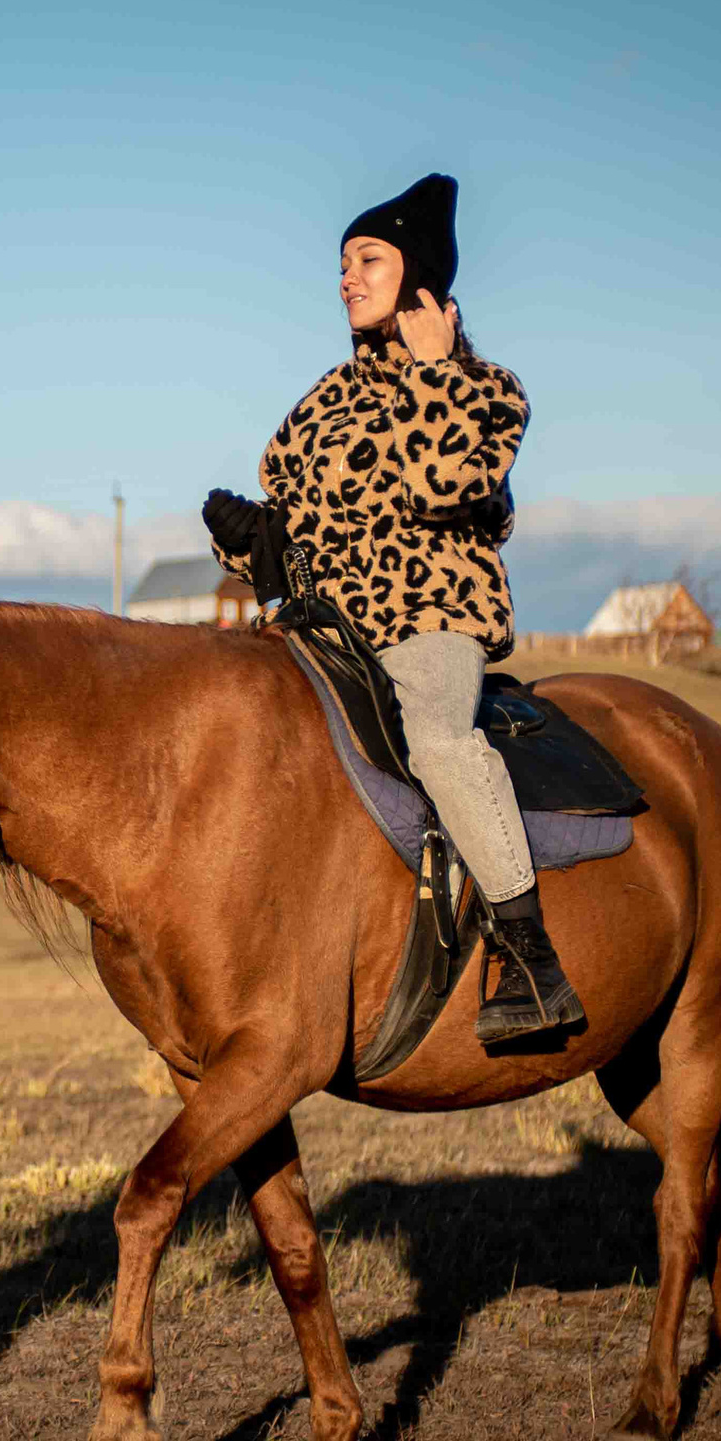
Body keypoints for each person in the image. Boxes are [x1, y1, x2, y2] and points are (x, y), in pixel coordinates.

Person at [202, 174, 583, 1047]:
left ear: (420, 276)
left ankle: (530, 955)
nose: (346, 275)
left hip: (429, 622)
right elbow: (293, 531)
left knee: (441, 741)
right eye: (341, 262)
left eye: (368, 258)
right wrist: (247, 538)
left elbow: (446, 481)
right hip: (326, 634)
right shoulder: (314, 409)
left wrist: (434, 368)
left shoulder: (486, 390)